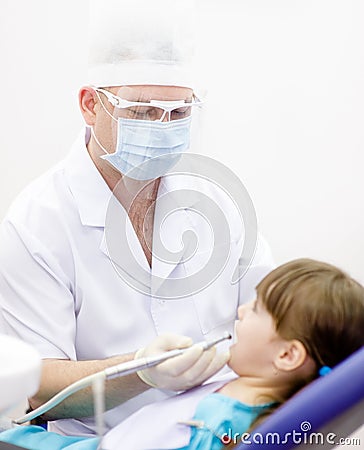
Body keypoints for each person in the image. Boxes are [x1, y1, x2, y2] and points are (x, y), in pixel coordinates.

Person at [0, 0, 274, 437]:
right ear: (90, 105)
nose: (162, 128)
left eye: (179, 113)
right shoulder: (36, 224)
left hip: (220, 430)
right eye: (143, 112)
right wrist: (141, 371)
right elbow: (35, 388)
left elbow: (276, 310)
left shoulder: (216, 199)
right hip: (105, 440)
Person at [1, 258, 363, 450]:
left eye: (256, 309)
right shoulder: (241, 390)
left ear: (287, 356)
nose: (240, 311)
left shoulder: (218, 426)